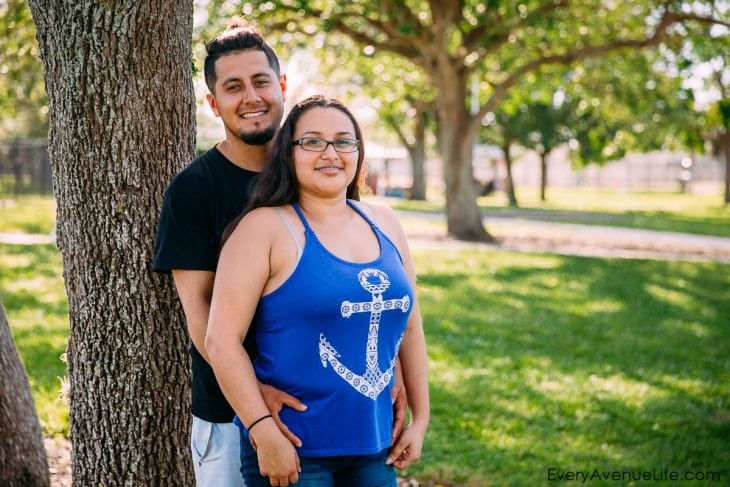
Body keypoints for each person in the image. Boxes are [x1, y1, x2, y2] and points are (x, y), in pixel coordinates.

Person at [153, 21, 407, 485]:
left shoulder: (317, 168)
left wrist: (397, 371)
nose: (251, 96)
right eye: (233, 87)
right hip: (233, 412)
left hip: (330, 414)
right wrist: (256, 400)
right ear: (214, 103)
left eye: (261, 81)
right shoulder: (194, 191)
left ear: (282, 86)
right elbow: (200, 313)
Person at [206, 95, 430, 487]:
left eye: (343, 141)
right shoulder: (263, 229)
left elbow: (410, 326)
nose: (330, 153)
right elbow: (221, 340)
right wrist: (262, 429)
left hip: (377, 446)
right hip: (294, 448)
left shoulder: (385, 222)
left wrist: (421, 420)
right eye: (313, 141)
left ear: (358, 153)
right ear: (289, 152)